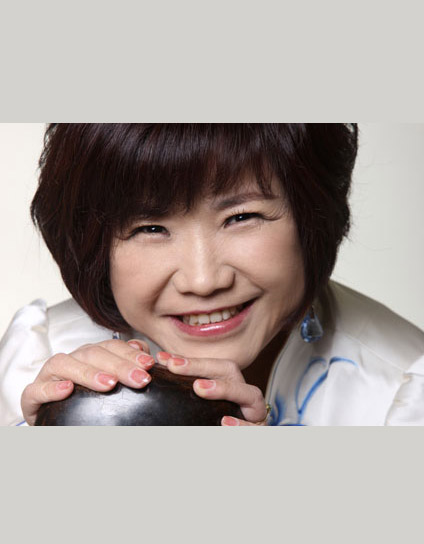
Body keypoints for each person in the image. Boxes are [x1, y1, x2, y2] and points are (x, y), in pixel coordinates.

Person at [0, 123, 423, 426]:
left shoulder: (401, 393)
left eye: (241, 217)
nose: (203, 281)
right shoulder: (40, 359)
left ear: (313, 217)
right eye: (151, 228)